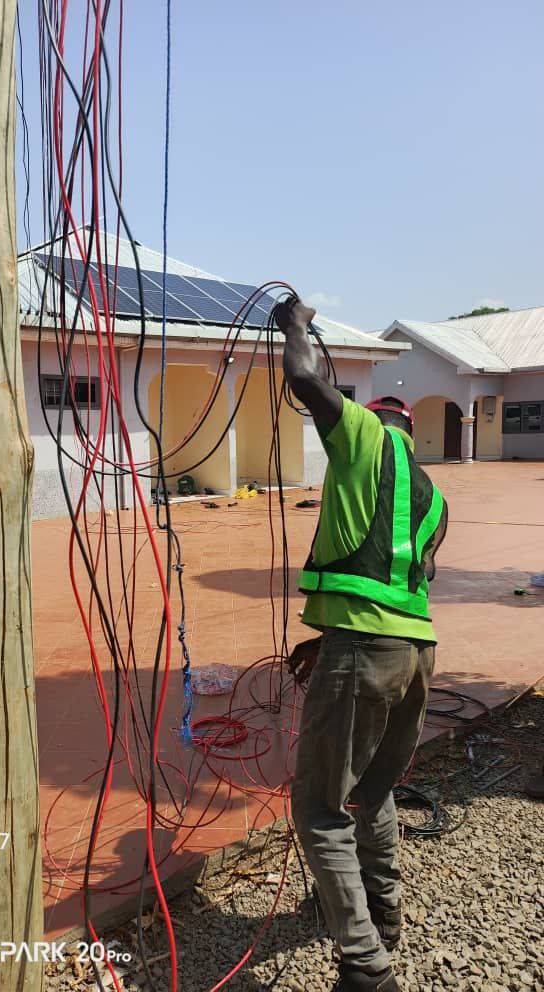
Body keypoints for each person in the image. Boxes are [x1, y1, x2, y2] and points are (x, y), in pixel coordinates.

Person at [275, 296, 448, 992]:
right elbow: (403, 576)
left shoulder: (361, 439)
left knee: (318, 808)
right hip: (416, 652)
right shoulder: (433, 493)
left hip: (367, 650)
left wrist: (294, 325)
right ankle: (385, 914)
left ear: (377, 422)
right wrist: (329, 641)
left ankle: (366, 964)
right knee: (373, 792)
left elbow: (308, 382)